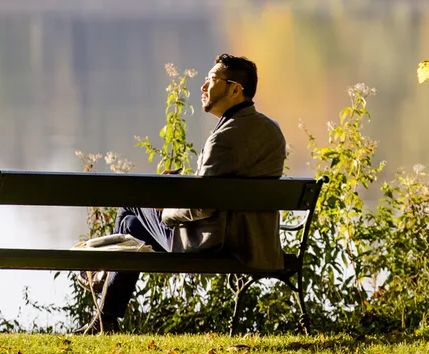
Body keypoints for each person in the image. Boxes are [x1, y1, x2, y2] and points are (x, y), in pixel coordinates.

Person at [76, 54, 287, 334]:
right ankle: (107, 316)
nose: (203, 86)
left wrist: (166, 209)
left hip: (214, 242)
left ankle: (103, 277)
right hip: (254, 243)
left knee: (132, 204)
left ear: (236, 89)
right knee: (131, 226)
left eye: (212, 79)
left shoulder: (223, 138)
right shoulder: (272, 131)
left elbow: (203, 205)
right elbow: (222, 185)